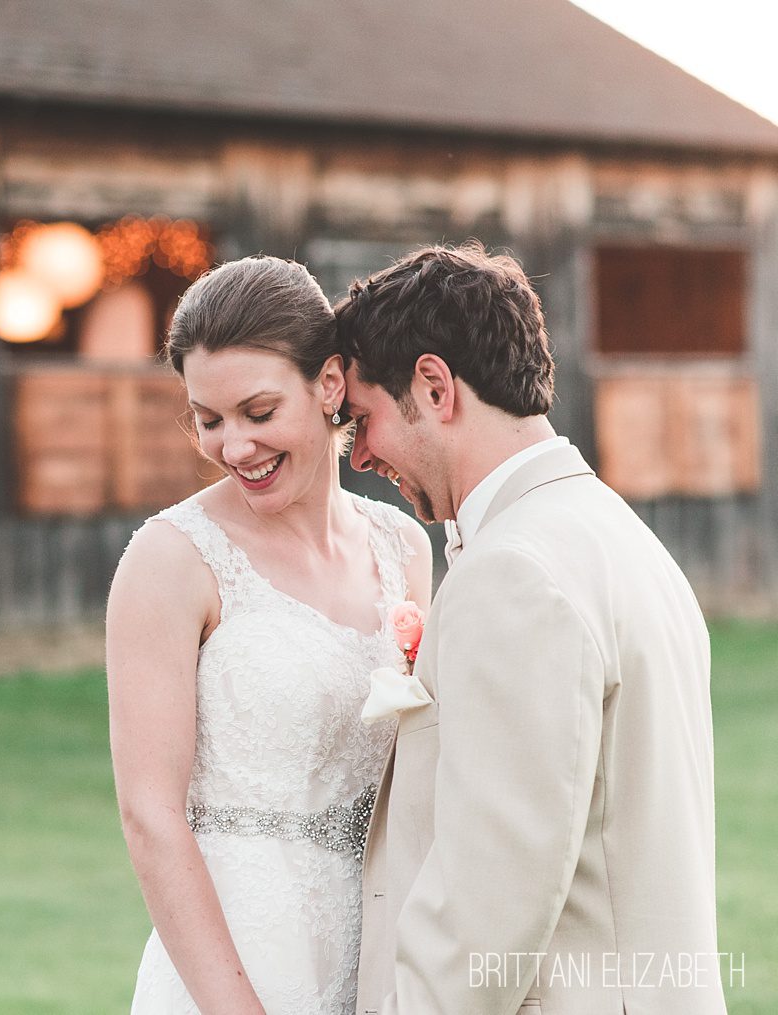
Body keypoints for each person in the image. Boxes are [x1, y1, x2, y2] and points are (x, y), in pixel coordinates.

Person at [337, 242, 726, 1015]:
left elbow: (488, 903)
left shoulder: (515, 573)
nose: (360, 454)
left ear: (435, 386)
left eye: (364, 419)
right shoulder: (617, 536)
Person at [107, 256, 431, 1013]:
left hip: (375, 953)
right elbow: (149, 817)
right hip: (231, 963)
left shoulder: (403, 548)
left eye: (258, 412)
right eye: (209, 419)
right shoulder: (171, 560)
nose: (233, 447)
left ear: (327, 385)